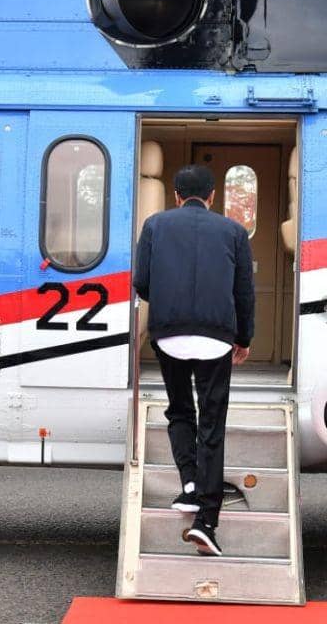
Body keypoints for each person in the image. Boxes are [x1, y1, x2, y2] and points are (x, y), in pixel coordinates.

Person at [134, 164, 255, 557]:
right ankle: (206, 521)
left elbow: (142, 283)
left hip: (169, 334)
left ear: (176, 195)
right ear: (213, 196)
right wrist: (244, 338)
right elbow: (244, 292)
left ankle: (188, 485)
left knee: (180, 411)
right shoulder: (235, 231)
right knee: (212, 423)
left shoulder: (155, 225)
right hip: (217, 338)